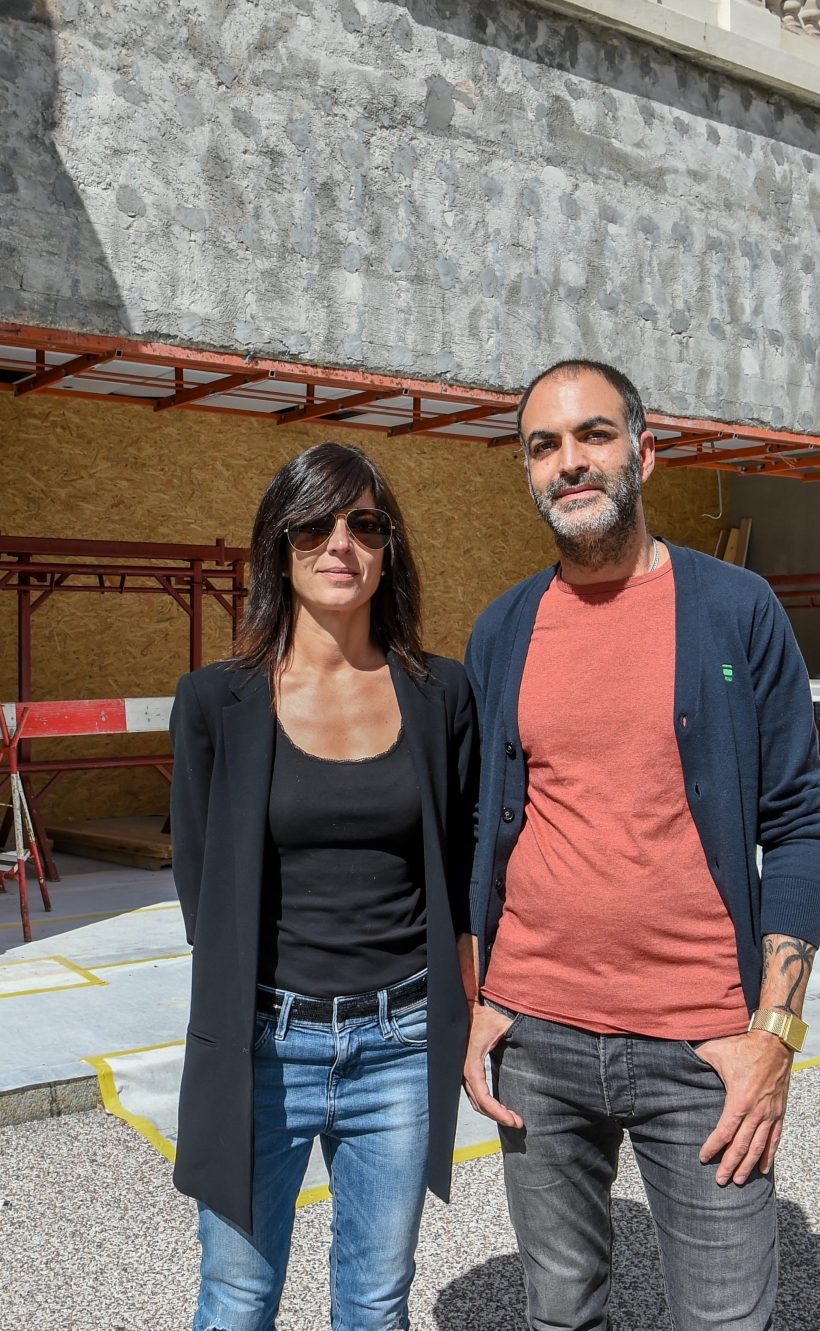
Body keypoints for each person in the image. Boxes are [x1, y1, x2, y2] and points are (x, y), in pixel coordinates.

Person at [458, 361, 820, 1330]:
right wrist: (478, 999)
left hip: (700, 1045)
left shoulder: (734, 607)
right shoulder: (502, 627)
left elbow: (793, 822)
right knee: (559, 1310)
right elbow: (479, 824)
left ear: (643, 452)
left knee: (722, 1319)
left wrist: (773, 1035)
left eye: (590, 435)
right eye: (542, 445)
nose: (567, 461)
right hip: (535, 1038)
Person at [169, 441, 479, 1331]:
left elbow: (460, 861)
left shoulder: (440, 693)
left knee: (376, 1301)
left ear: (388, 549)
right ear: (280, 540)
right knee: (236, 1298)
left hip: (400, 1043)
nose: (340, 542)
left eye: (365, 524)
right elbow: (203, 885)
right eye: (315, 523)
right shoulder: (215, 702)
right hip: (264, 1044)